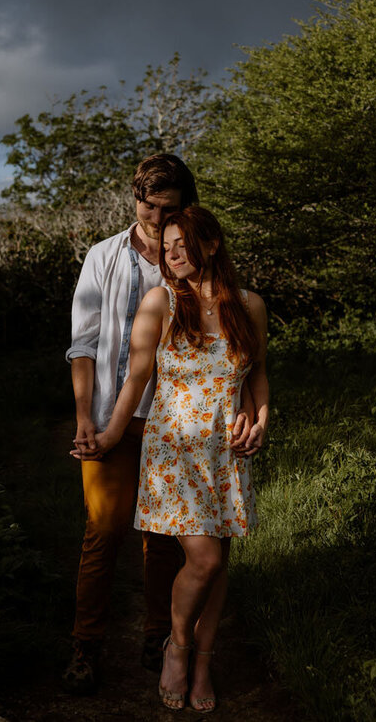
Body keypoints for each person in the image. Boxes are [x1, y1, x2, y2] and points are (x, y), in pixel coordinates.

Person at [89, 206, 269, 713]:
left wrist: (259, 422)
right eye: (166, 245)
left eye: (181, 243)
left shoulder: (249, 305)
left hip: (227, 453)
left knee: (217, 565)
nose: (171, 253)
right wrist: (109, 437)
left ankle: (204, 665)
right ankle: (177, 647)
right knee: (204, 558)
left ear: (211, 245)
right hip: (175, 453)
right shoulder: (160, 302)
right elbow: (137, 379)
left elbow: (255, 377)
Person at [61, 153, 197, 695]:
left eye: (168, 209)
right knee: (103, 532)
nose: (155, 218)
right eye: (147, 204)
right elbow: (83, 343)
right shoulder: (103, 256)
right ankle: (85, 645)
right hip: (107, 418)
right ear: (134, 197)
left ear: (184, 206)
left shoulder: (191, 257)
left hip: (173, 421)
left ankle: (158, 636)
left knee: (162, 537)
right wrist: (83, 419)